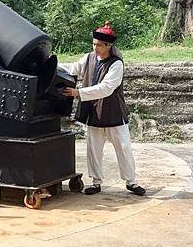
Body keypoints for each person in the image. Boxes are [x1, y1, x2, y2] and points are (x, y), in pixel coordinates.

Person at [62, 21, 146, 197]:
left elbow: (106, 88)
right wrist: (50, 63)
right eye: (94, 44)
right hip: (93, 111)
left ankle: (131, 182)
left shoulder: (117, 64)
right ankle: (96, 182)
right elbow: (72, 69)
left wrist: (78, 92)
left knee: (124, 148)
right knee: (93, 148)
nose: (96, 48)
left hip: (113, 111)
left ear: (109, 45)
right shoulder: (88, 58)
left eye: (99, 45)